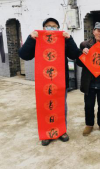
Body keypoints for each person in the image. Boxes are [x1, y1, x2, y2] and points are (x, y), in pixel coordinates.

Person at [18, 18, 80, 146]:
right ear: (43, 28)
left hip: (60, 81)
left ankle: (61, 131)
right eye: (48, 26)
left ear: (58, 28)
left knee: (61, 107)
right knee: (45, 107)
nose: (51, 28)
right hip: (44, 82)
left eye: (54, 26)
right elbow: (24, 55)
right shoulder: (37, 40)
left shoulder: (63, 40)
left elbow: (75, 55)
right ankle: (46, 133)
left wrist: (69, 39)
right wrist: (30, 38)